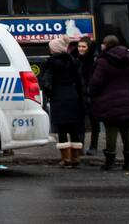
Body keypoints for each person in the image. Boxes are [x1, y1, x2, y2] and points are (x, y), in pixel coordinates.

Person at [89, 34, 129, 171]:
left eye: (103, 44)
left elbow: (96, 82)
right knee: (126, 129)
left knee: (111, 129)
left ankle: (109, 161)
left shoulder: (103, 61)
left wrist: (94, 94)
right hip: (127, 97)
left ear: (106, 45)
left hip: (108, 99)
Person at [41, 36, 85, 168]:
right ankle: (76, 157)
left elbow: (46, 83)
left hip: (58, 97)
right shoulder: (73, 62)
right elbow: (79, 81)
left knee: (61, 128)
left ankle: (66, 159)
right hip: (72, 96)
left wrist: (48, 95)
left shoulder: (50, 63)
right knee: (73, 128)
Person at [75, 37, 101, 155]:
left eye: (83, 47)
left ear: (88, 48)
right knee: (80, 123)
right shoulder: (76, 59)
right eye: (79, 46)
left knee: (94, 122)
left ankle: (93, 146)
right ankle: (80, 147)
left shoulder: (93, 60)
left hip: (91, 95)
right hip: (80, 95)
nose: (81, 49)